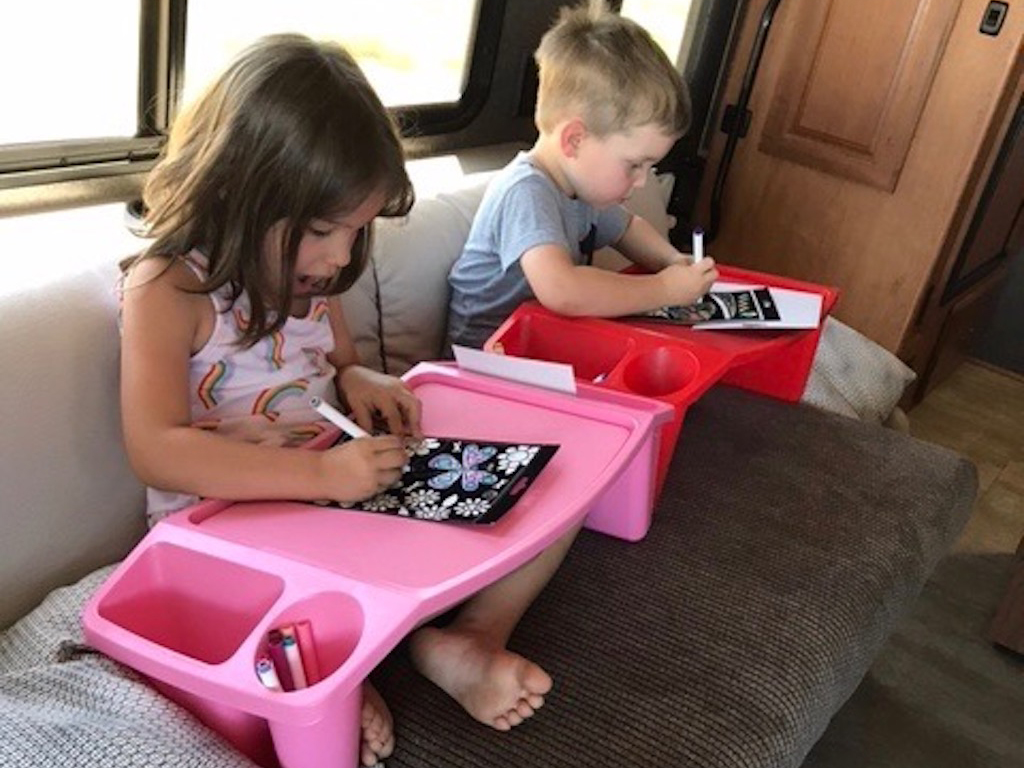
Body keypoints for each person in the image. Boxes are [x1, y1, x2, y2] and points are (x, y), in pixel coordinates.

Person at [118, 34, 421, 767]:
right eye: (323, 231)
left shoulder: (312, 284)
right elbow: (153, 447)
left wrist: (361, 379)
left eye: (356, 232)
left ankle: (425, 646)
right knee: (281, 593)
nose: (342, 258)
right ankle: (338, 678)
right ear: (236, 190)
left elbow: (339, 363)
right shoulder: (167, 288)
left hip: (322, 497)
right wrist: (322, 478)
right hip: (218, 526)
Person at [446, 0, 719, 351]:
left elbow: (627, 228)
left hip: (540, 345)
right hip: (483, 362)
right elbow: (564, 291)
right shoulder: (526, 192)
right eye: (634, 164)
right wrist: (664, 289)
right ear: (574, 140)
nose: (641, 181)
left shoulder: (579, 189)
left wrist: (672, 261)